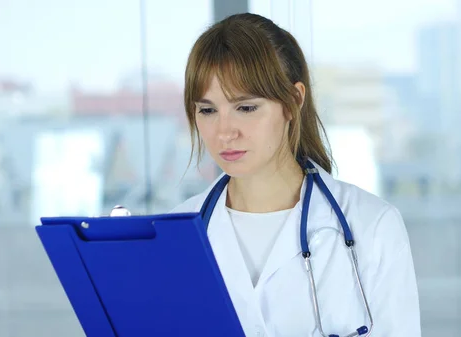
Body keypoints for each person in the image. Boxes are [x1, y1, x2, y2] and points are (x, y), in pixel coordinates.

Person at [170, 12, 421, 337]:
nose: (224, 132)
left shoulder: (373, 227)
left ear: (293, 101)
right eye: (207, 110)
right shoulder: (175, 233)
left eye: (246, 108)